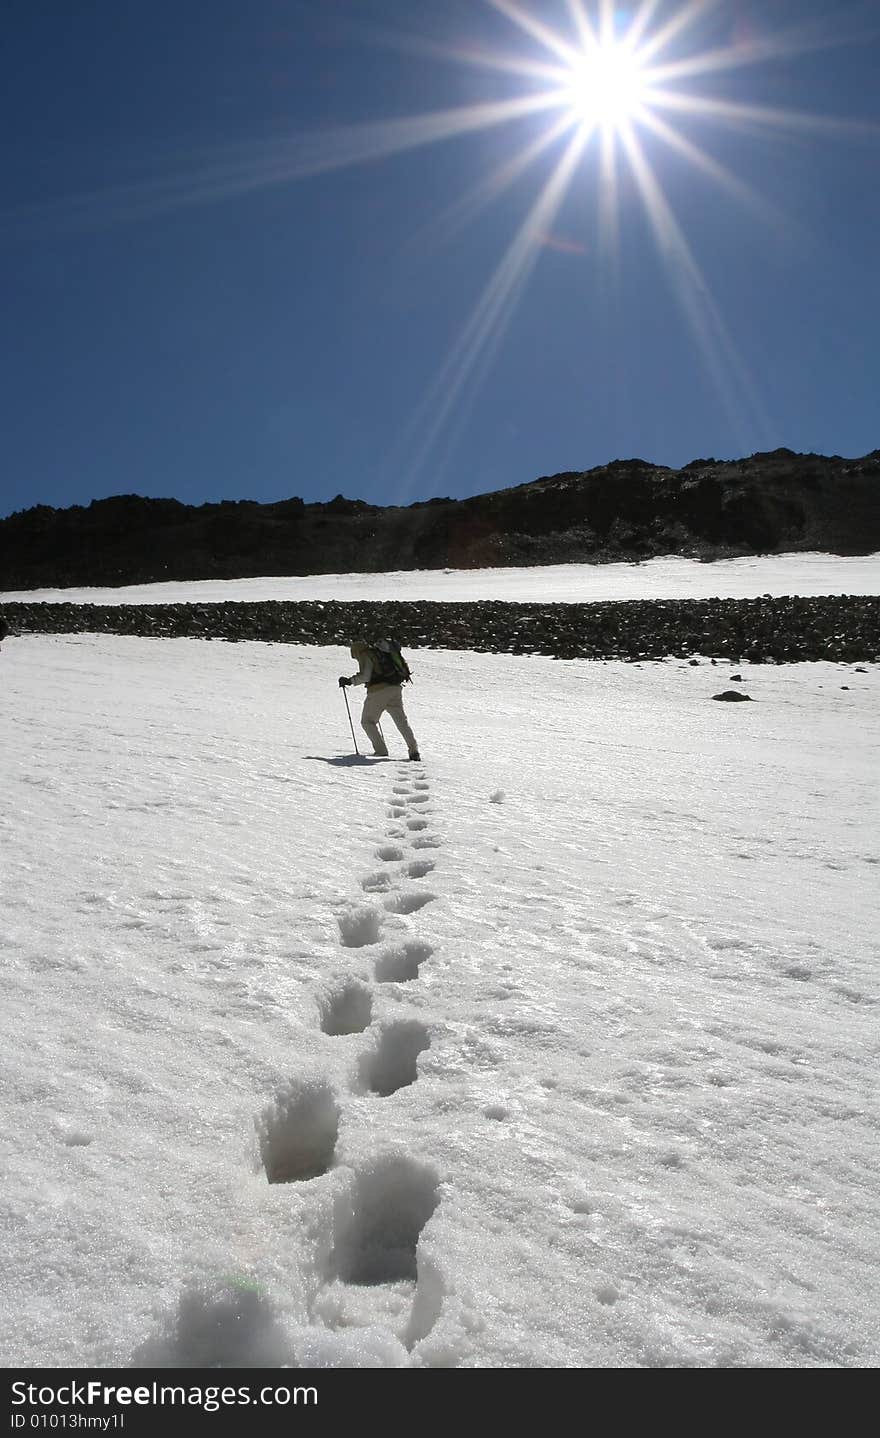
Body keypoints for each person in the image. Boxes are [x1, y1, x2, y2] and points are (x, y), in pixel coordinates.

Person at [339, 639, 421, 760]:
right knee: (401, 722)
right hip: (395, 688)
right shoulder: (381, 653)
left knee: (367, 722)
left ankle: (381, 751)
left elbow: (365, 676)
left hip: (379, 691)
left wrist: (350, 681)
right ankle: (414, 750)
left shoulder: (365, 654)